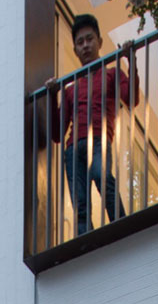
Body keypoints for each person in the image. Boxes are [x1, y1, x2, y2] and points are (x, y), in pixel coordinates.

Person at [56, 13, 131, 236]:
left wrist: (130, 60)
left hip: (98, 140)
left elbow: (131, 97)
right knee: (80, 204)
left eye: (89, 40)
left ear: (99, 42)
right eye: (80, 42)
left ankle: (122, 227)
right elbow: (58, 133)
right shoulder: (71, 88)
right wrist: (52, 95)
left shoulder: (111, 74)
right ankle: (85, 241)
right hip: (73, 149)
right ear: (75, 50)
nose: (86, 46)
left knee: (103, 178)